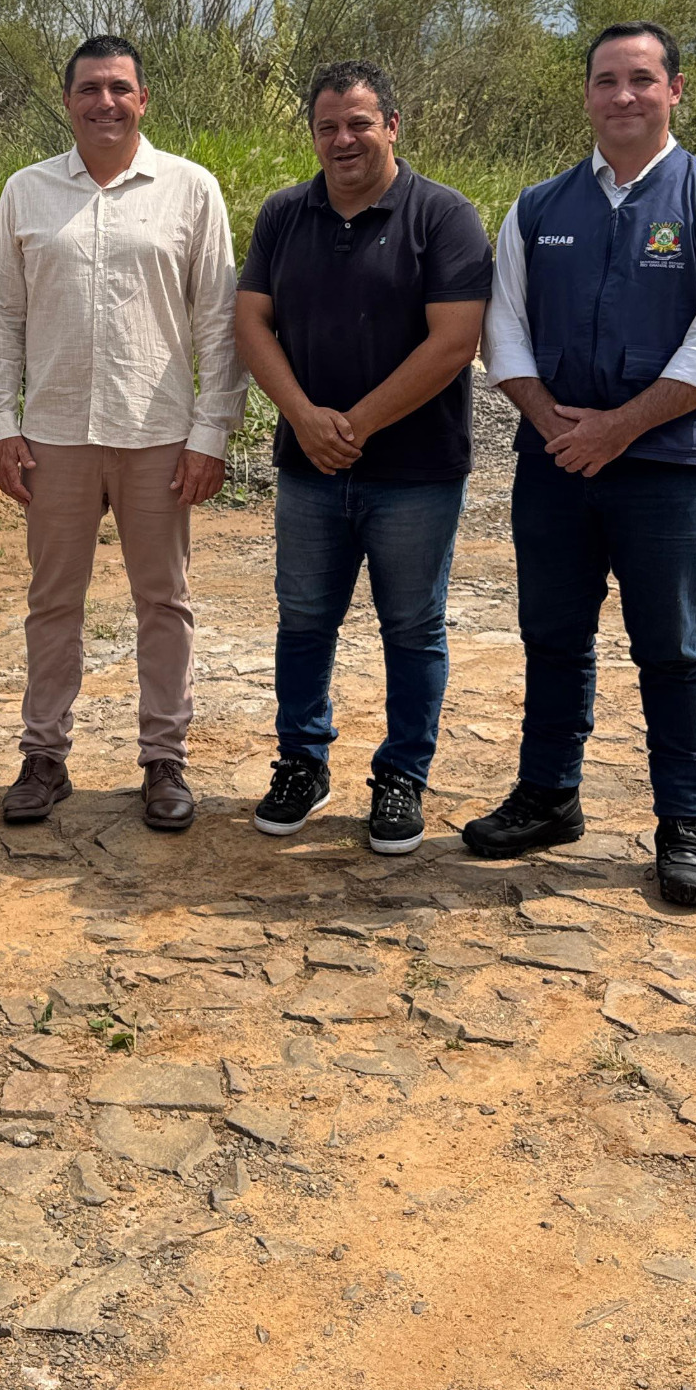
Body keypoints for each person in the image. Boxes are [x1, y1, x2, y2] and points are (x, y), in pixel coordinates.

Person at [476, 22, 696, 909]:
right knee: (552, 639)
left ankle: (685, 821)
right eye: (607, 80)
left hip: (670, 472)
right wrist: (557, 426)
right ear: (587, 95)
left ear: (675, 90)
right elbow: (504, 331)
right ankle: (548, 795)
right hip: (556, 465)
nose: (624, 96)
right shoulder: (537, 208)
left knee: (672, 650)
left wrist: (619, 430)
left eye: (642, 79)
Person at [0, 35, 246, 833]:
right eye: (90, 88)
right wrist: (1, 423)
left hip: (158, 434)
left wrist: (212, 432)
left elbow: (219, 323)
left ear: (144, 101)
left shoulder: (190, 190)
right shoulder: (26, 193)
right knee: (51, 602)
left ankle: (164, 759)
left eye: (120, 88)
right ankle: (44, 756)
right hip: (56, 434)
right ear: (66, 101)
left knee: (163, 601)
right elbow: (1, 320)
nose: (106, 101)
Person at [234, 60, 493, 856]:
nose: (343, 140)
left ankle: (402, 776)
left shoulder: (444, 216)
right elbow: (251, 324)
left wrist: (353, 425)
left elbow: (455, 341)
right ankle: (302, 763)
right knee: (304, 620)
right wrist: (305, 419)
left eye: (358, 123)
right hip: (308, 468)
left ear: (392, 126)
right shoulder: (285, 214)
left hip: (415, 472)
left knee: (412, 627)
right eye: (327, 127)